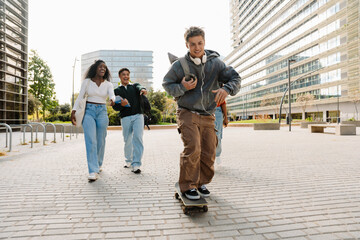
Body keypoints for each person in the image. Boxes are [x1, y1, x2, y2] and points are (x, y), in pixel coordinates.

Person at [163, 26, 241, 200]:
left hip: (208, 114)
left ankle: (199, 182)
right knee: (193, 147)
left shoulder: (216, 64)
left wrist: (227, 89)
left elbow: (235, 78)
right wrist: (182, 87)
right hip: (187, 112)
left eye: (200, 43)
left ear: (204, 42)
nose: (197, 47)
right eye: (192, 44)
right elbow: (167, 85)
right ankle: (187, 185)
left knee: (209, 150)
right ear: (187, 45)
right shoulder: (179, 65)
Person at [71, 60, 115, 181]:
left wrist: (112, 99)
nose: (103, 69)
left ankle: (99, 163)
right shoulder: (87, 82)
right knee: (91, 140)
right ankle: (92, 170)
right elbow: (80, 97)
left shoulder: (108, 84)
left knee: (101, 140)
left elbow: (112, 94)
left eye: (105, 68)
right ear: (95, 68)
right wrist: (73, 111)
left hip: (102, 112)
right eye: (100, 67)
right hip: (88, 111)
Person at [113, 68, 147, 174]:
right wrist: (119, 105)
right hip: (125, 117)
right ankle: (128, 160)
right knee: (127, 140)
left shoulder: (135, 86)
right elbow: (116, 108)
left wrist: (143, 89)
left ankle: (136, 164)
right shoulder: (117, 91)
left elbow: (140, 87)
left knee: (138, 138)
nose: (126, 76)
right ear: (119, 76)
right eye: (123, 74)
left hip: (138, 116)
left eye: (127, 74)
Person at [215, 100, 228, 165]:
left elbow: (223, 103)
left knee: (217, 136)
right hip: (203, 111)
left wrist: (225, 118)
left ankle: (217, 154)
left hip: (217, 112)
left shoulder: (218, 89)